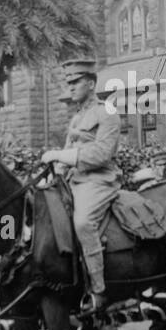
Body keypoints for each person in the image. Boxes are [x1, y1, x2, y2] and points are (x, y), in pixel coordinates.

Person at [40, 58, 121, 314]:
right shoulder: (77, 117)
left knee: (83, 222)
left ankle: (98, 291)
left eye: (76, 82)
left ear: (91, 83)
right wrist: (51, 176)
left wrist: (59, 156)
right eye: (69, 82)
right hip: (74, 180)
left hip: (99, 180)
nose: (71, 87)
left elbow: (101, 155)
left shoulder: (106, 112)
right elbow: (67, 152)